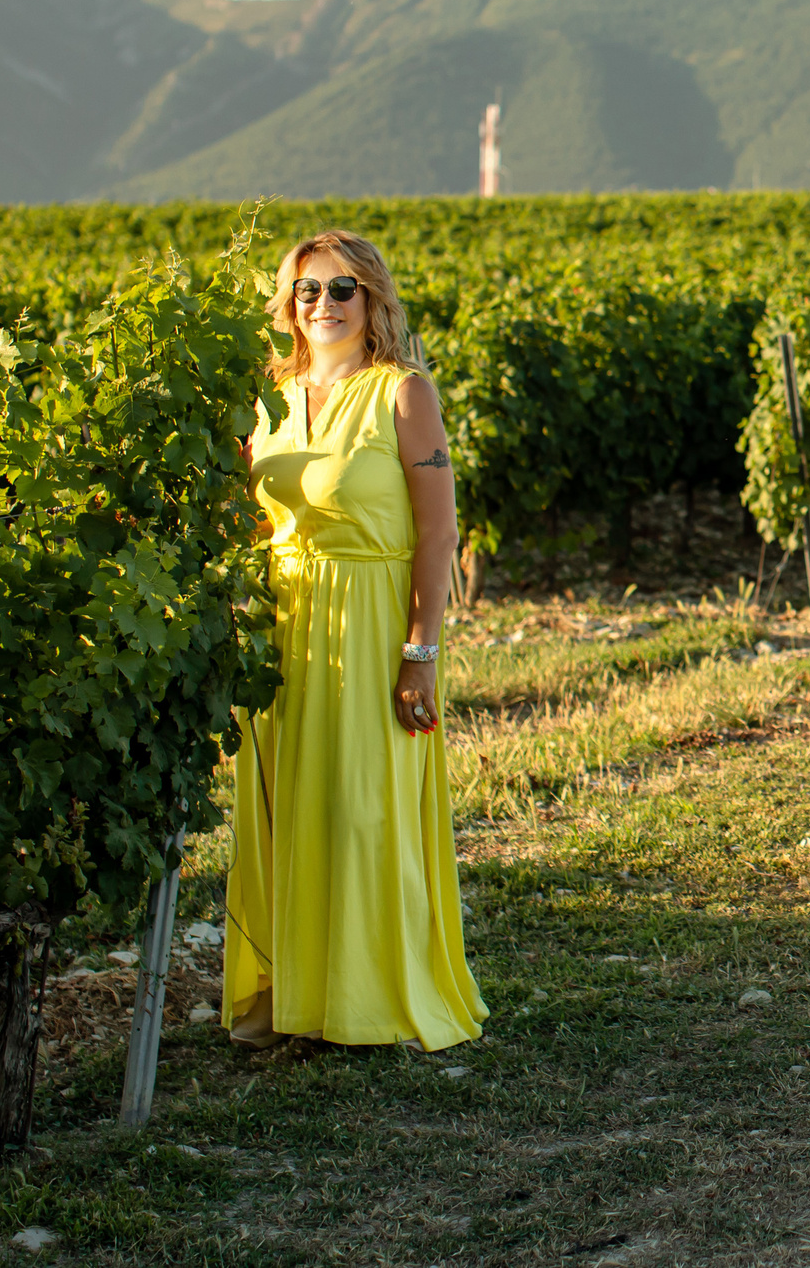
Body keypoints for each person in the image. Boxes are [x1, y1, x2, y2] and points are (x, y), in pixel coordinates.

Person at [223, 229, 487, 1051]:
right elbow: (241, 516)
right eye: (308, 291)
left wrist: (422, 651)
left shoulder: (402, 393)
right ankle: (298, 999)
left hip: (371, 618)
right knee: (288, 811)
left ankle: (369, 1003)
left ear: (372, 300)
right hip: (283, 624)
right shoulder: (268, 395)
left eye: (342, 290)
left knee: (363, 810)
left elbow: (439, 535)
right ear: (288, 304)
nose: (325, 305)